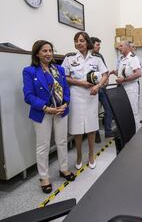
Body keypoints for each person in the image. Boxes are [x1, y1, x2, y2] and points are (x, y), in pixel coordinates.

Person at [23, 40, 75, 194]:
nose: (48, 54)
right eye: (44, 51)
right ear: (37, 53)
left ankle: (64, 169)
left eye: (50, 50)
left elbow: (66, 89)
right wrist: (46, 108)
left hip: (61, 110)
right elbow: (28, 95)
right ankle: (44, 177)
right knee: (43, 146)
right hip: (42, 113)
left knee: (62, 141)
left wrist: (65, 103)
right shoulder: (29, 71)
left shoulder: (59, 69)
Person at [62, 32, 109, 170]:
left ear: (87, 42)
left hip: (91, 96)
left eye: (81, 40)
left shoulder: (96, 57)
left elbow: (105, 74)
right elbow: (64, 77)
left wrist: (98, 85)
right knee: (77, 128)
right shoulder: (69, 58)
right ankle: (78, 155)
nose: (78, 43)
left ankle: (91, 155)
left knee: (91, 127)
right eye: (76, 41)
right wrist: (80, 83)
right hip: (76, 95)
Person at [111, 41, 142, 131]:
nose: (119, 48)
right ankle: (129, 133)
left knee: (133, 112)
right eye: (118, 46)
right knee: (126, 112)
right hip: (123, 88)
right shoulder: (123, 59)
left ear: (127, 47)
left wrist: (124, 80)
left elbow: (138, 73)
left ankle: (137, 133)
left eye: (121, 46)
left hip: (131, 88)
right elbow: (123, 74)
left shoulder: (132, 58)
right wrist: (115, 73)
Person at [90, 37, 113, 144]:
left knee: (109, 109)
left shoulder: (99, 56)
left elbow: (105, 70)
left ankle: (108, 131)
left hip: (102, 87)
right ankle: (96, 134)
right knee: (94, 112)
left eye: (99, 44)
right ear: (91, 45)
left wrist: (106, 80)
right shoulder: (87, 57)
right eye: (97, 45)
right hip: (92, 89)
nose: (99, 47)